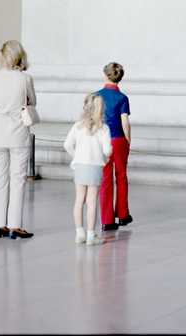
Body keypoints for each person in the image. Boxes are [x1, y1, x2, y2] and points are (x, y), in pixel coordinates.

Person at [0, 40, 36, 239]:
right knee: (17, 180)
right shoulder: (25, 79)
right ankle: (14, 225)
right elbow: (33, 102)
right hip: (18, 133)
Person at [64, 94, 113, 245]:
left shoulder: (77, 126)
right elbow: (107, 150)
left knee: (79, 200)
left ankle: (79, 233)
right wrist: (106, 156)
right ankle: (91, 235)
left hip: (79, 165)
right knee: (92, 201)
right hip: (95, 166)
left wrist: (76, 156)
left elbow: (67, 145)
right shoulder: (103, 128)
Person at [95, 62, 132, 232]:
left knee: (105, 179)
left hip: (101, 139)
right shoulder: (122, 98)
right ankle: (123, 215)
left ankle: (107, 220)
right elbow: (125, 122)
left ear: (105, 75)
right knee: (121, 176)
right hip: (118, 139)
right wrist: (128, 140)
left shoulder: (96, 96)